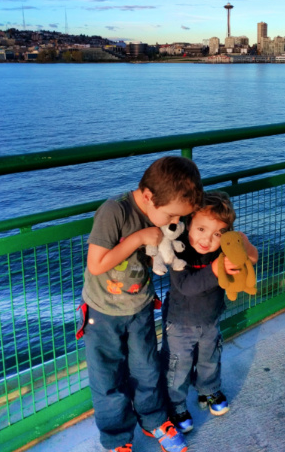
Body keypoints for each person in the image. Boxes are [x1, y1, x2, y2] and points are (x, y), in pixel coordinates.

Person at [78, 156, 203, 452]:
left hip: (141, 307)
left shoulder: (157, 210)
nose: (175, 224)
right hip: (103, 312)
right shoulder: (114, 211)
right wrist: (138, 239)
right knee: (107, 377)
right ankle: (117, 437)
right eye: (172, 216)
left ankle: (154, 420)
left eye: (180, 218)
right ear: (148, 196)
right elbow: (96, 265)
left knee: (147, 369)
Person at [161, 191, 258, 434]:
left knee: (210, 358)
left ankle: (209, 390)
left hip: (211, 318)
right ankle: (176, 405)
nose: (207, 239)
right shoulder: (178, 249)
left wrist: (244, 243)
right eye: (201, 229)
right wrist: (215, 268)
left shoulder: (223, 248)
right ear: (189, 222)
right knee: (177, 366)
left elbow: (253, 258)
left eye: (218, 233)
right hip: (180, 322)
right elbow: (185, 285)